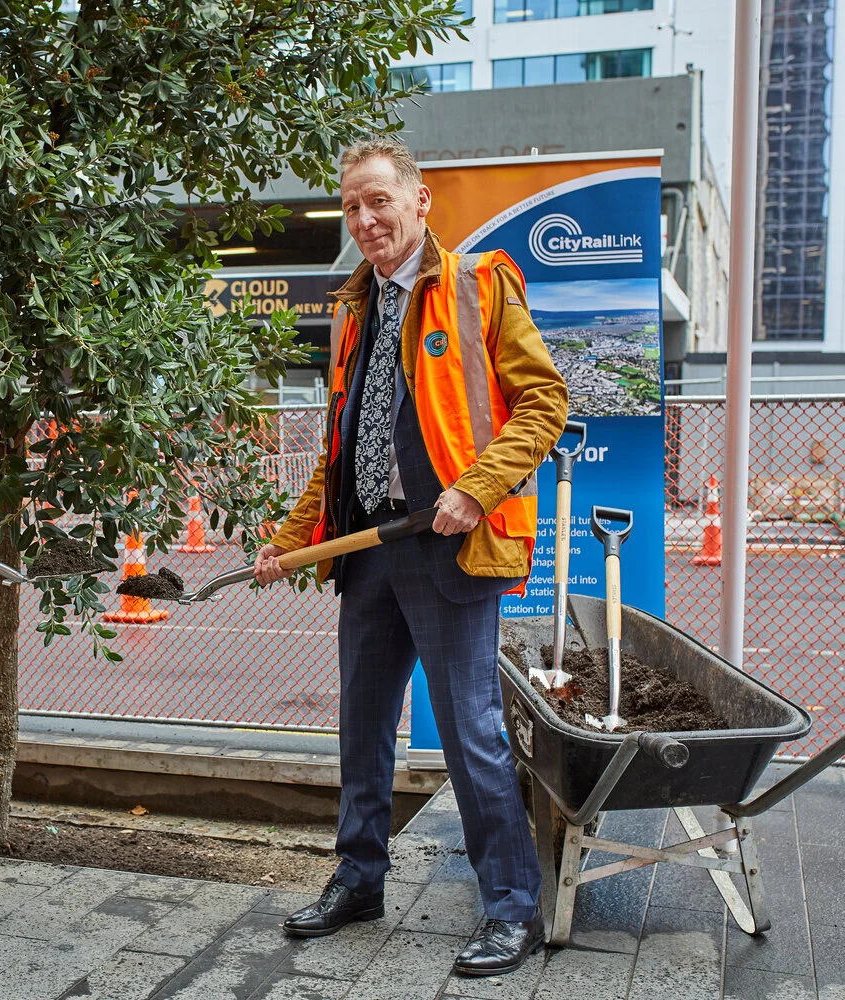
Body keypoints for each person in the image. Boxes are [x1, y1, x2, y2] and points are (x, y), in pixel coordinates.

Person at [255, 137, 567, 977]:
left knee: (471, 732)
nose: (365, 219)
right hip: (368, 555)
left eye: (378, 201)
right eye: (352, 206)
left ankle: (510, 907)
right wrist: (290, 542)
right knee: (363, 726)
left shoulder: (479, 283)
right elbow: (339, 451)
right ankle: (358, 878)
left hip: (449, 548)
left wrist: (479, 486)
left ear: (419, 201)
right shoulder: (351, 310)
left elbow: (544, 402)